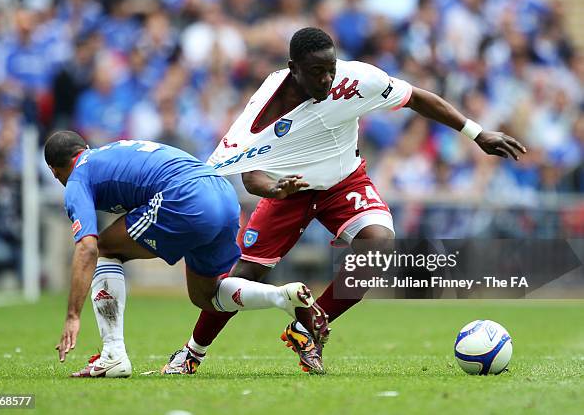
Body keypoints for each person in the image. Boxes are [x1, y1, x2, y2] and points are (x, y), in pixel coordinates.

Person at [164, 27, 527, 374]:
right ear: (293, 70)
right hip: (290, 191)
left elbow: (417, 97)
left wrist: (477, 133)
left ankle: (308, 331)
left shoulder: (356, 80)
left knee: (379, 245)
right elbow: (250, 173)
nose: (326, 80)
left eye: (330, 70)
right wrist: (275, 190)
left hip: (343, 181)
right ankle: (191, 352)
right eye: (316, 72)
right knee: (245, 276)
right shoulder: (263, 110)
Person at [45, 131, 329, 377]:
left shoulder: (77, 178)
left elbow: (87, 247)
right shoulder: (112, 151)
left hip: (185, 196)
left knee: (106, 249)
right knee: (206, 296)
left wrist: (72, 315)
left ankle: (112, 355)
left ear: (55, 170)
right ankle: (283, 296)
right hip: (222, 194)